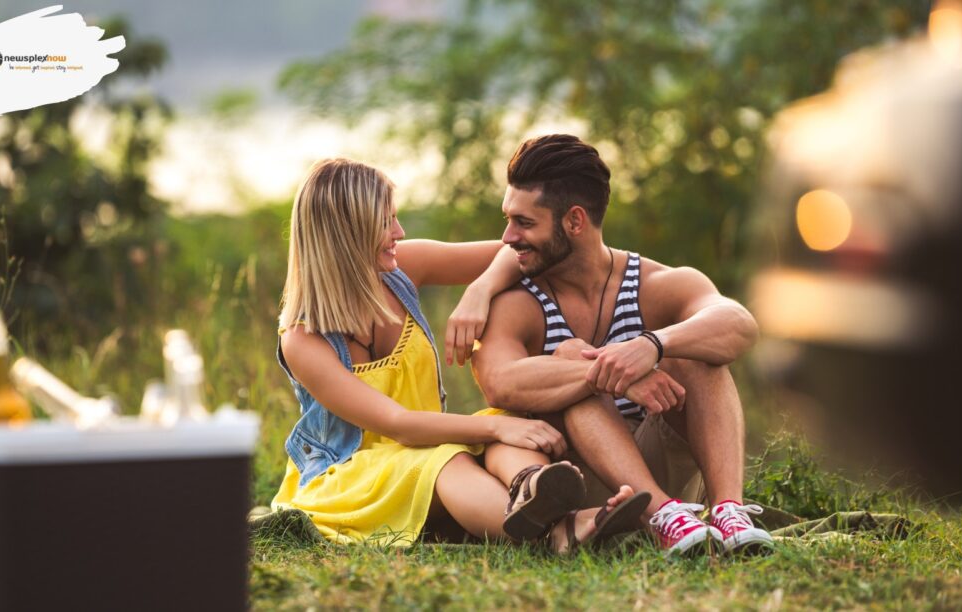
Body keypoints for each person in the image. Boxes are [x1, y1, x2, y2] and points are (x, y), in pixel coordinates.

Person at [270, 158, 648, 550]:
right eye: (386, 223)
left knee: (507, 424)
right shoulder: (302, 338)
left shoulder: (402, 270)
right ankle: (559, 531)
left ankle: (531, 487)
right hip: (350, 480)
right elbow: (397, 423)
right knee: (458, 453)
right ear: (347, 236)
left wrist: (479, 291)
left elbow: (516, 249)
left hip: (427, 447)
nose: (398, 232)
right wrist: (494, 428)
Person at [472, 135, 774, 557]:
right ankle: (659, 514)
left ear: (574, 221)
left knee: (699, 352)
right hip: (582, 490)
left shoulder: (657, 283)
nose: (507, 237)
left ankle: (728, 512)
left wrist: (653, 345)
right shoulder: (518, 301)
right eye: (509, 219)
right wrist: (617, 377)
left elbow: (739, 326)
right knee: (572, 356)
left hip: (665, 466)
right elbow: (499, 384)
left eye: (523, 223)